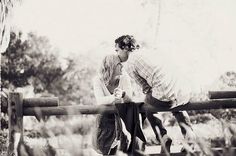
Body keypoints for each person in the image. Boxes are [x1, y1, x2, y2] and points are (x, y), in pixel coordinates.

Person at [113, 35, 197, 153]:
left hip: (167, 96)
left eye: (117, 50)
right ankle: (190, 135)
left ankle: (163, 137)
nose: (117, 54)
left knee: (148, 105)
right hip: (183, 90)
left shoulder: (131, 63)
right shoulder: (150, 51)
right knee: (177, 105)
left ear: (125, 48)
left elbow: (146, 88)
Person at [92, 55, 136, 155]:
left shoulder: (124, 77)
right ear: (111, 66)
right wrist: (114, 98)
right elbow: (100, 100)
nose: (122, 66)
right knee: (105, 150)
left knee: (124, 147)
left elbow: (129, 98)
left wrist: (123, 94)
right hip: (105, 120)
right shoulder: (98, 80)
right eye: (119, 64)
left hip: (122, 118)